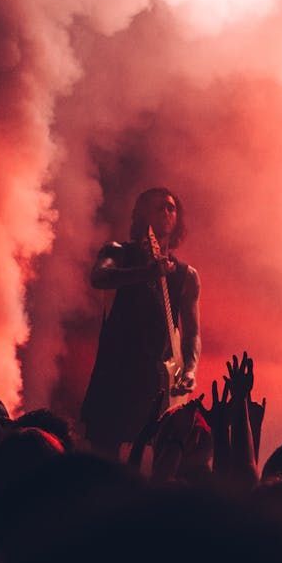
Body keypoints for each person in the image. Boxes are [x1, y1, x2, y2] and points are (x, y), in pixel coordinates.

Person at [80, 187, 201, 458]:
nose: (166, 212)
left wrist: (190, 369)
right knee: (104, 454)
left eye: (171, 207)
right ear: (141, 214)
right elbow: (99, 277)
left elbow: (192, 332)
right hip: (115, 372)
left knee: (156, 454)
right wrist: (146, 272)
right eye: (157, 206)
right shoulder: (118, 252)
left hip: (156, 379)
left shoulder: (186, 275)